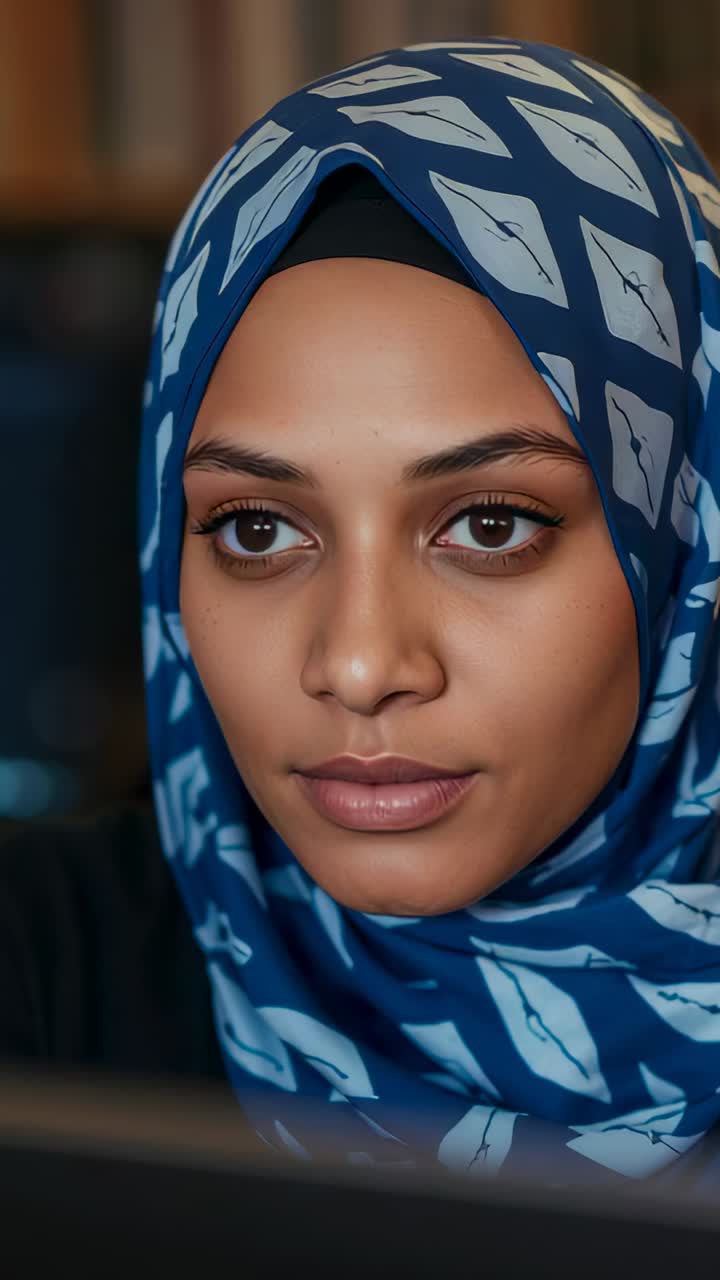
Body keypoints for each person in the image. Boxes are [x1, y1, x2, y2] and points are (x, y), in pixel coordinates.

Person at [2, 36, 720, 1187]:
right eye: (256, 527)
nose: (358, 662)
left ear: (684, 538)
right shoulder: (42, 970)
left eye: (490, 524)